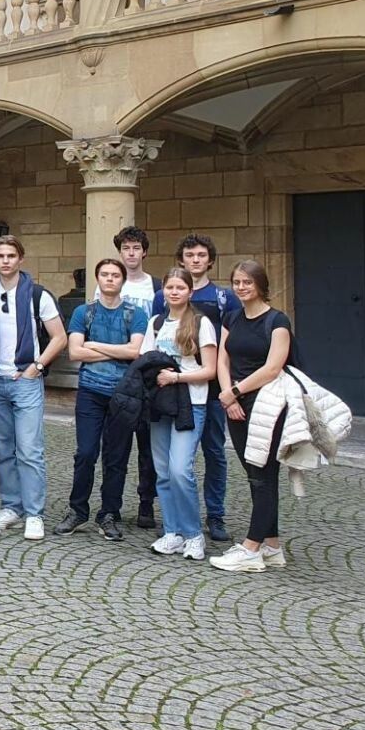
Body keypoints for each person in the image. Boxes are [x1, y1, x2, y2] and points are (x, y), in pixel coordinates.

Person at [152, 233, 241, 544]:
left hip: (209, 388)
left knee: (213, 452)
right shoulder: (160, 306)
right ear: (181, 260)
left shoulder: (223, 298)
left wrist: (228, 386)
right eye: (190, 255)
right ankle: (173, 525)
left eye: (201, 255)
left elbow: (228, 343)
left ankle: (214, 516)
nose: (196, 259)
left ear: (210, 260)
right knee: (171, 465)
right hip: (168, 396)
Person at [211, 260, 294, 573]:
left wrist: (235, 391)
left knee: (263, 476)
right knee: (255, 474)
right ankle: (271, 546)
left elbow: (273, 368)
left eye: (247, 282)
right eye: (236, 282)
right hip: (235, 404)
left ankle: (251, 548)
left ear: (261, 285)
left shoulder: (277, 321)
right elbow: (223, 359)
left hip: (267, 406)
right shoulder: (232, 317)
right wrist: (227, 394)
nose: (241, 287)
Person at [56, 258, 148, 541]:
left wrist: (94, 345)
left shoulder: (136, 313)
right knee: (85, 453)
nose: (110, 279)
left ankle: (109, 513)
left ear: (122, 281)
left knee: (116, 457)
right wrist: (115, 351)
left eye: (115, 275)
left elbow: (135, 352)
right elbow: (75, 353)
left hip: (123, 395)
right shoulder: (84, 312)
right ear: (98, 279)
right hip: (90, 391)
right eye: (105, 274)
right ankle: (77, 510)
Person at [0, 235, 66, 541]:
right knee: (2, 450)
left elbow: (59, 336)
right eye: (0, 255)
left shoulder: (37, 294)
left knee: (29, 450)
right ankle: (10, 506)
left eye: (11, 255)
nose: (6, 260)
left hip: (25, 380)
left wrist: (36, 367)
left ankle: (34, 513)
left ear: (21, 259)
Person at [146, 266, 221, 562]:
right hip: (161, 402)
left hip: (192, 402)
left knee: (181, 469)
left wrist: (176, 377)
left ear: (189, 291)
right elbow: (145, 360)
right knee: (163, 471)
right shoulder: (156, 322)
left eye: (180, 287)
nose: (174, 292)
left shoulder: (201, 323)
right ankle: (172, 531)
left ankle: (192, 534)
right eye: (169, 287)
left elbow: (210, 369)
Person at [113, 225, 159, 529]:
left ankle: (146, 502)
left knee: (148, 443)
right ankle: (111, 505)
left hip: (148, 372)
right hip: (118, 370)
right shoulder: (111, 282)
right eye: (126, 248)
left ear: (144, 251)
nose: (131, 253)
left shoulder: (156, 286)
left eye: (135, 248)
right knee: (116, 443)